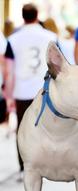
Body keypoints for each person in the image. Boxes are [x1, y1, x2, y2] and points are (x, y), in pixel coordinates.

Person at [3, 3, 57, 177]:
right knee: (45, 125)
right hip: (45, 88)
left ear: (23, 16)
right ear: (36, 15)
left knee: (22, 127)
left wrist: (8, 94)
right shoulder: (51, 36)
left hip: (21, 89)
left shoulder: (13, 39)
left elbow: (9, 70)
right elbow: (57, 65)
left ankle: (24, 165)